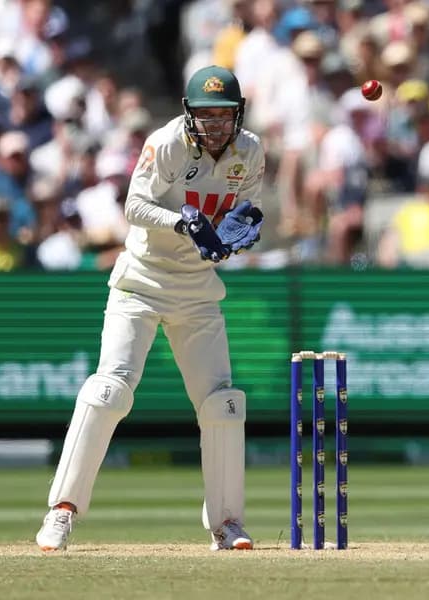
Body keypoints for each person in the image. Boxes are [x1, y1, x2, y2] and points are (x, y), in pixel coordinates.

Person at [35, 65, 266, 552]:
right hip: (140, 282)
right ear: (188, 114)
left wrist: (238, 231)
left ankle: (227, 523)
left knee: (223, 403)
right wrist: (185, 222)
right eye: (206, 116)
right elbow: (135, 206)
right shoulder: (166, 143)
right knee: (109, 390)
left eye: (225, 116)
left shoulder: (251, 150)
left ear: (238, 114)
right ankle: (62, 511)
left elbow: (245, 208)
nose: (216, 126)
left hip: (199, 290)